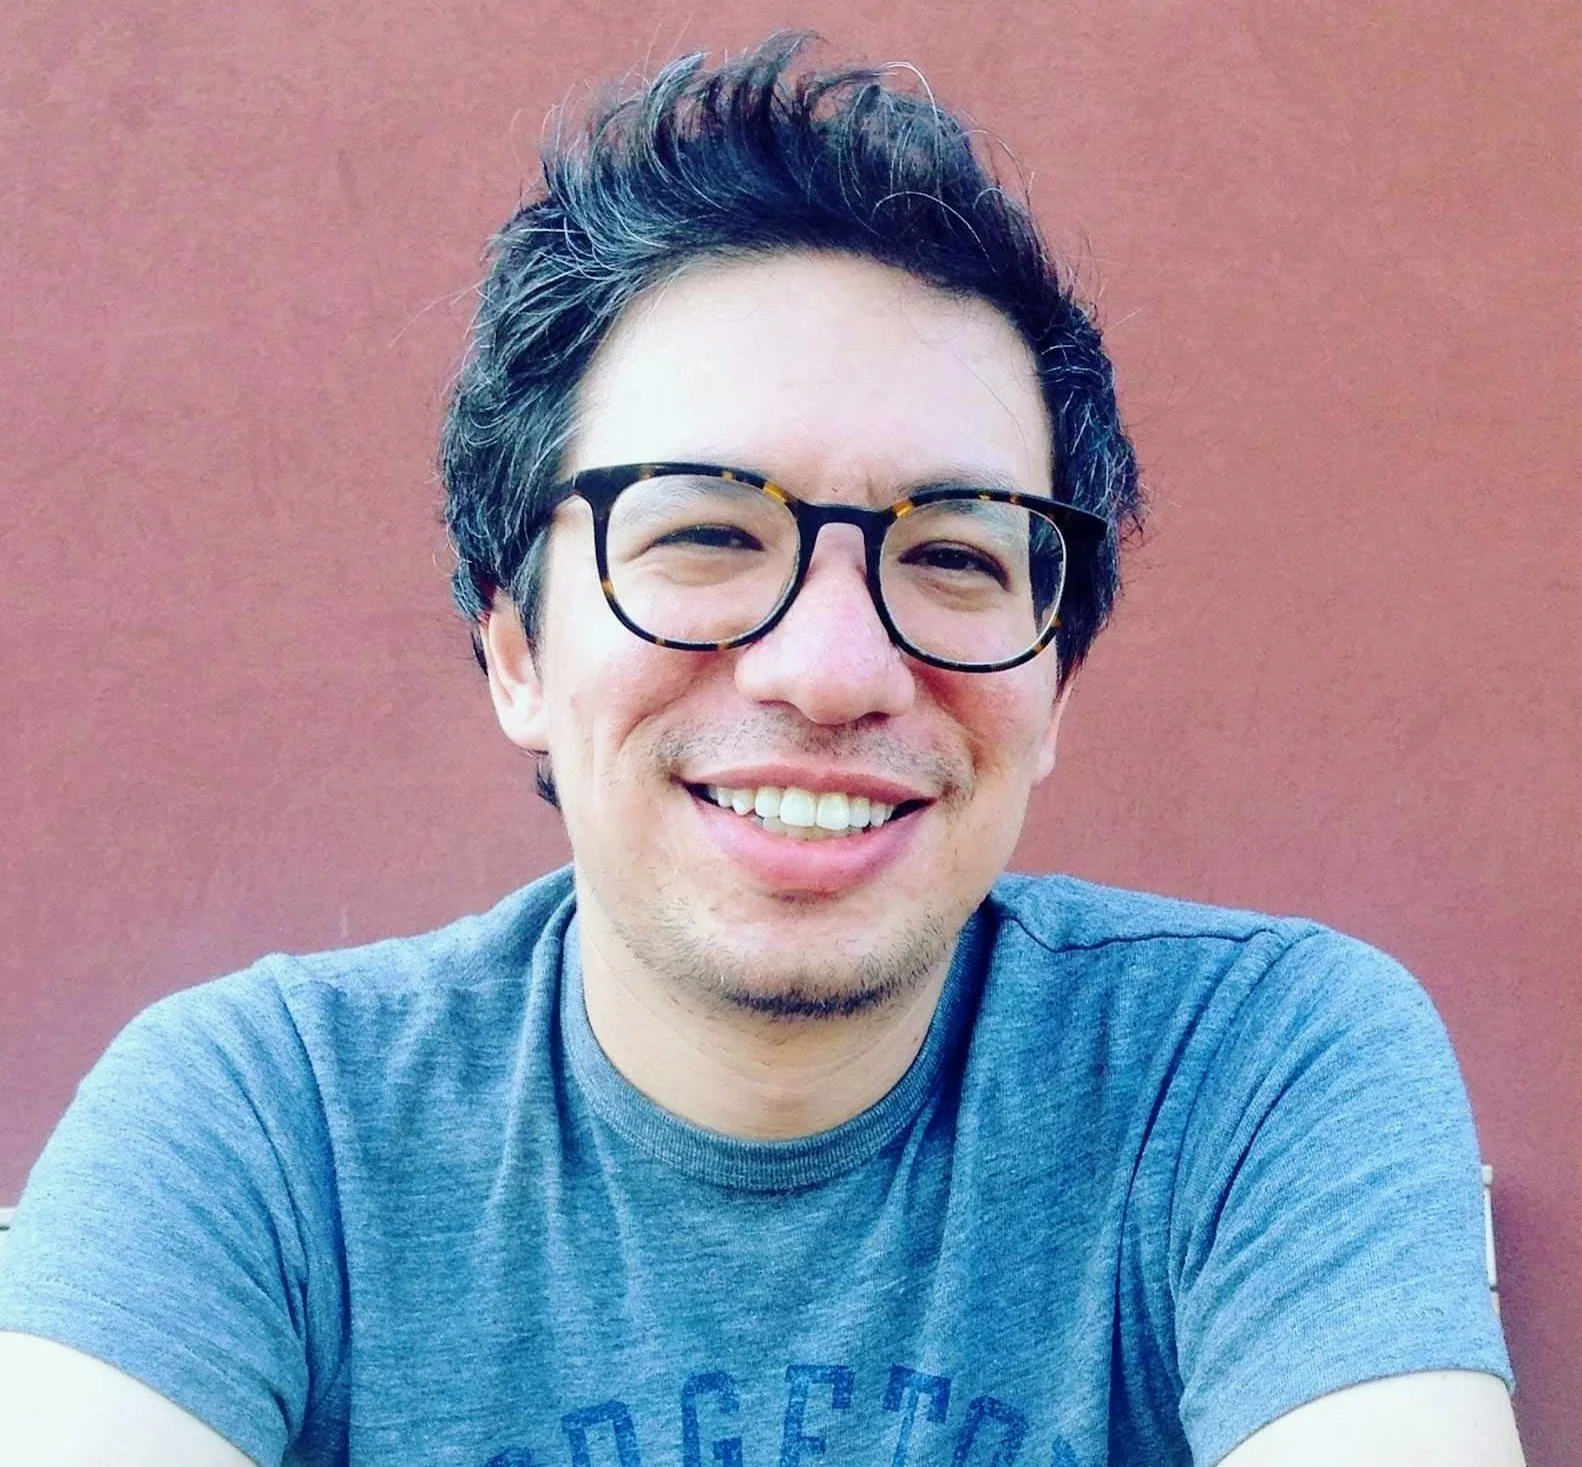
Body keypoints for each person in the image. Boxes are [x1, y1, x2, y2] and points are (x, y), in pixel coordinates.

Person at [0, 34, 1522, 1467]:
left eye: (955, 556)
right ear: (516, 649)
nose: (835, 669)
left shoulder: (1249, 1066)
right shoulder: (272, 1123)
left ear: (1054, 686)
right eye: (709, 535)